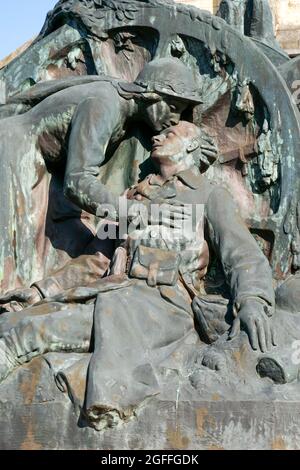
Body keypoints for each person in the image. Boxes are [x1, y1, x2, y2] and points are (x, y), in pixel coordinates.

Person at [0, 121, 275, 430]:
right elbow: (95, 259)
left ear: (192, 147)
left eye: (170, 134)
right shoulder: (132, 198)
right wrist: (40, 290)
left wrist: (253, 299)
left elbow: (242, 255)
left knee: (23, 336)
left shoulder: (209, 196)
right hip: (112, 297)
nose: (157, 136)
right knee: (9, 323)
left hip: (160, 310)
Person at [0, 58, 202, 291]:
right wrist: (135, 211)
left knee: (64, 242)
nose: (175, 120)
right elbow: (77, 182)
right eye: (174, 108)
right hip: (16, 151)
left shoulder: (118, 104)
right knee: (13, 256)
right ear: (152, 95)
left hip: (43, 163)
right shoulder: (105, 105)